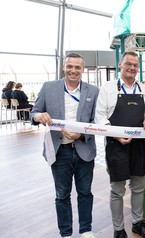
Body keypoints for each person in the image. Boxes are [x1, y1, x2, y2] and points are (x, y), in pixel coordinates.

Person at [29, 53, 99, 238]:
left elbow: (97, 123)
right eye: (70, 66)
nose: (73, 70)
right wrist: (38, 116)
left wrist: (81, 133)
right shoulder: (48, 88)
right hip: (59, 151)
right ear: (63, 67)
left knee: (85, 192)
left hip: (84, 150)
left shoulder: (93, 91)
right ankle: (66, 233)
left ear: (83, 69)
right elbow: (33, 113)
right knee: (62, 195)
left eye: (77, 67)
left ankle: (86, 230)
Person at [95, 52, 145, 238]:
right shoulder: (107, 88)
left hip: (139, 145)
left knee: (139, 186)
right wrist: (115, 135)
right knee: (117, 189)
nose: (132, 68)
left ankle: (137, 223)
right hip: (116, 144)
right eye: (128, 64)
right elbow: (100, 116)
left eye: (135, 65)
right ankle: (119, 228)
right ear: (120, 64)